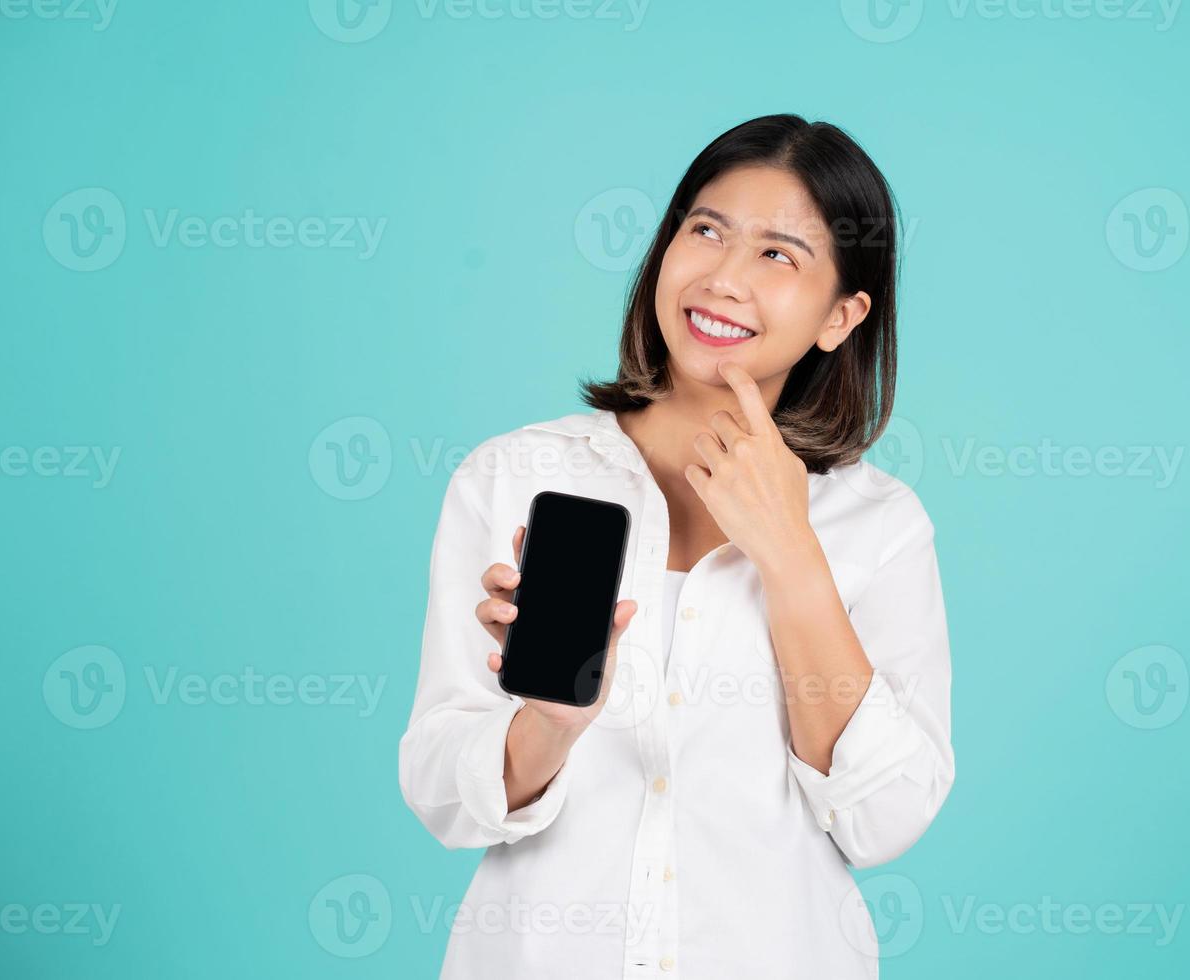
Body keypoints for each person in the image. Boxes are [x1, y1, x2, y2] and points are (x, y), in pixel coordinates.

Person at [398, 113, 955, 979]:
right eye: (706, 231)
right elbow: (442, 794)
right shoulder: (517, 476)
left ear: (841, 316)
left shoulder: (878, 525)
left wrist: (792, 557)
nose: (724, 279)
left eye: (778, 254)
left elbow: (882, 820)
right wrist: (548, 727)